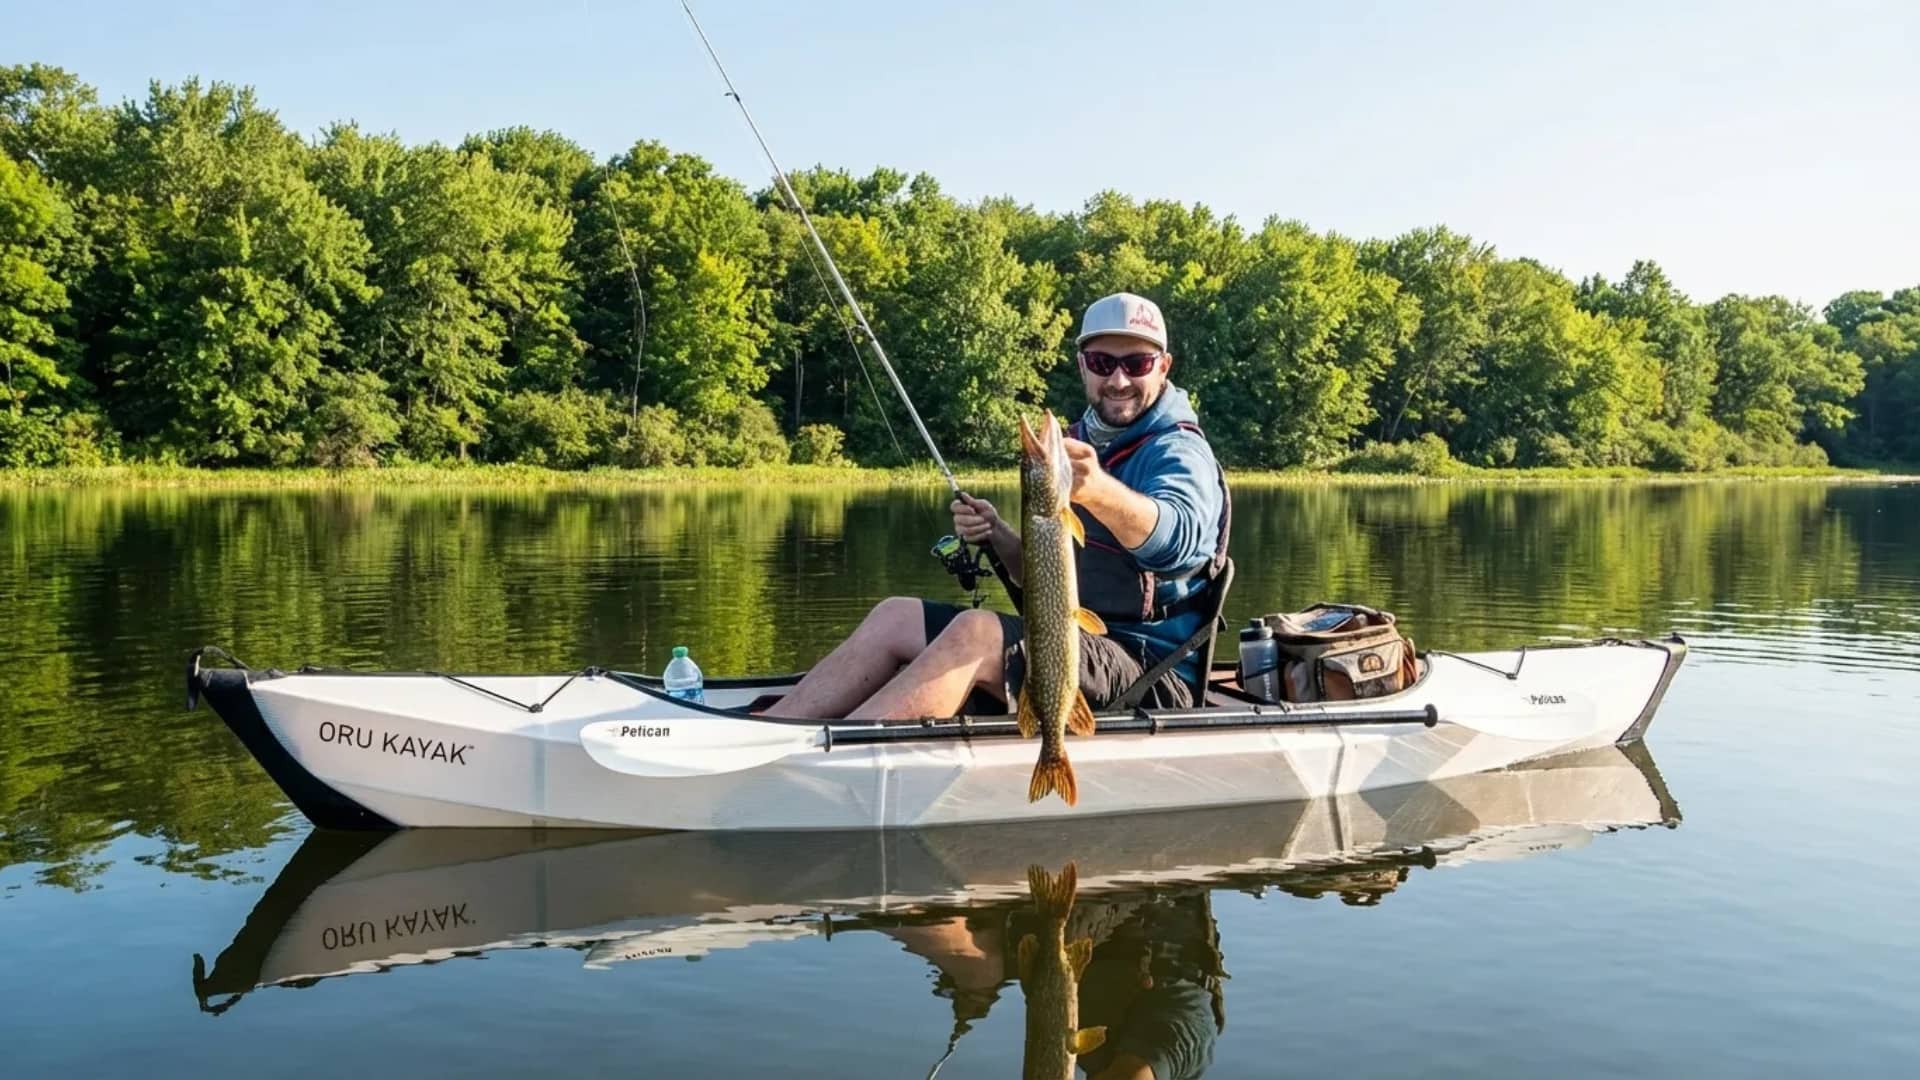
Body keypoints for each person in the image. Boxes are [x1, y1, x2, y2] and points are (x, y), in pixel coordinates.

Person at [763, 292, 1229, 721]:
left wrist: (1098, 490)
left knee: (978, 632)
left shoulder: (1177, 451)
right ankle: (771, 730)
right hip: (1069, 640)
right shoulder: (1079, 442)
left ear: (1163, 367)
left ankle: (838, 762)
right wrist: (998, 534)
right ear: (1083, 366)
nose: (1119, 378)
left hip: (1151, 670)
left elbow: (1181, 545)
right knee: (895, 616)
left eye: (1138, 362)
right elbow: (1047, 581)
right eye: (1103, 362)